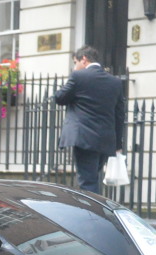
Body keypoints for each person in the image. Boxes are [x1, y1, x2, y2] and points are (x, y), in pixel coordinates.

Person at [53, 45, 126, 195]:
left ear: (84, 59)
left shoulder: (78, 77)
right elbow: (119, 115)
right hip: (105, 139)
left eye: (75, 62)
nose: (75, 66)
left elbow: (59, 98)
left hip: (84, 137)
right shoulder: (115, 82)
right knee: (92, 178)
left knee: (88, 182)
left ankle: (92, 215)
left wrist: (72, 78)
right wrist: (118, 144)